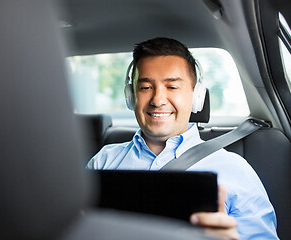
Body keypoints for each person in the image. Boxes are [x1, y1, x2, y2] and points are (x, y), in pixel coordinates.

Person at [87, 37, 279, 239]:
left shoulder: (234, 169)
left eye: (172, 87)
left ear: (197, 97)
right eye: (145, 87)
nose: (158, 100)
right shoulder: (103, 161)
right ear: (131, 96)